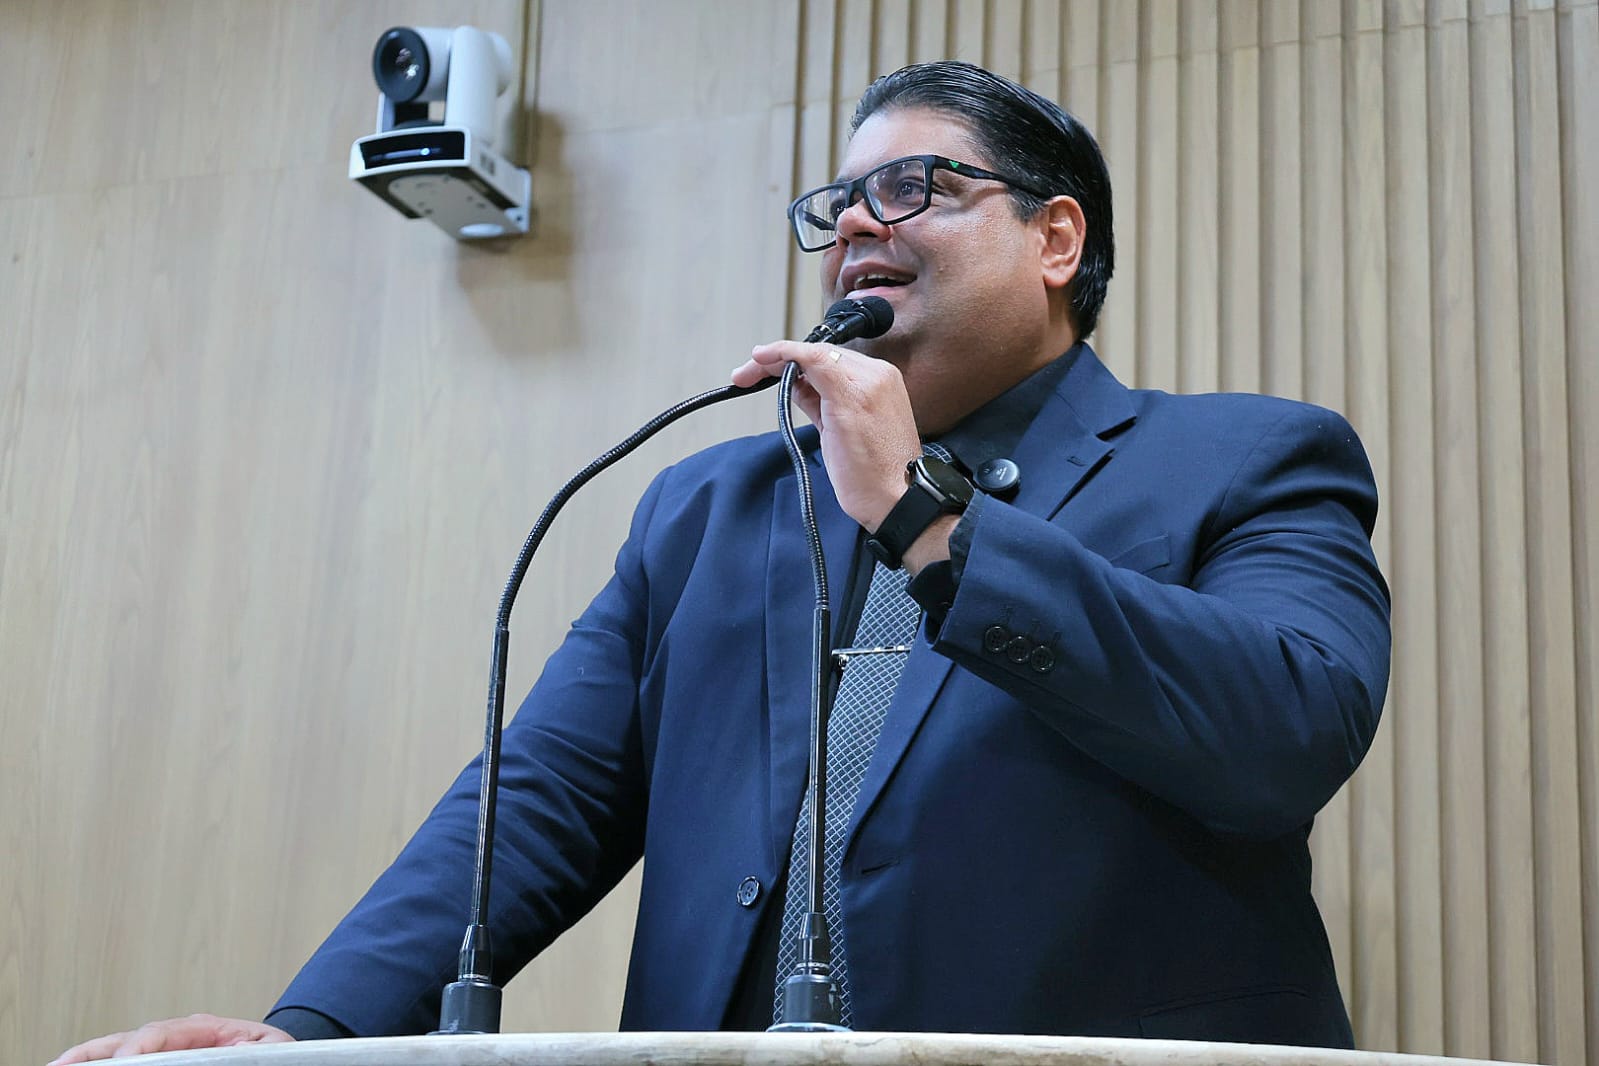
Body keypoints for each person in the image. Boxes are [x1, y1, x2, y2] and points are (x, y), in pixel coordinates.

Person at [52, 60, 1390, 1063]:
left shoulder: (1246, 458)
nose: (857, 225)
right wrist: (317, 1030)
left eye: (913, 188)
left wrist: (932, 524)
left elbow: (1288, 728)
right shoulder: (711, 506)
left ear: (1055, 239)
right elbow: (539, 798)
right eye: (838, 204)